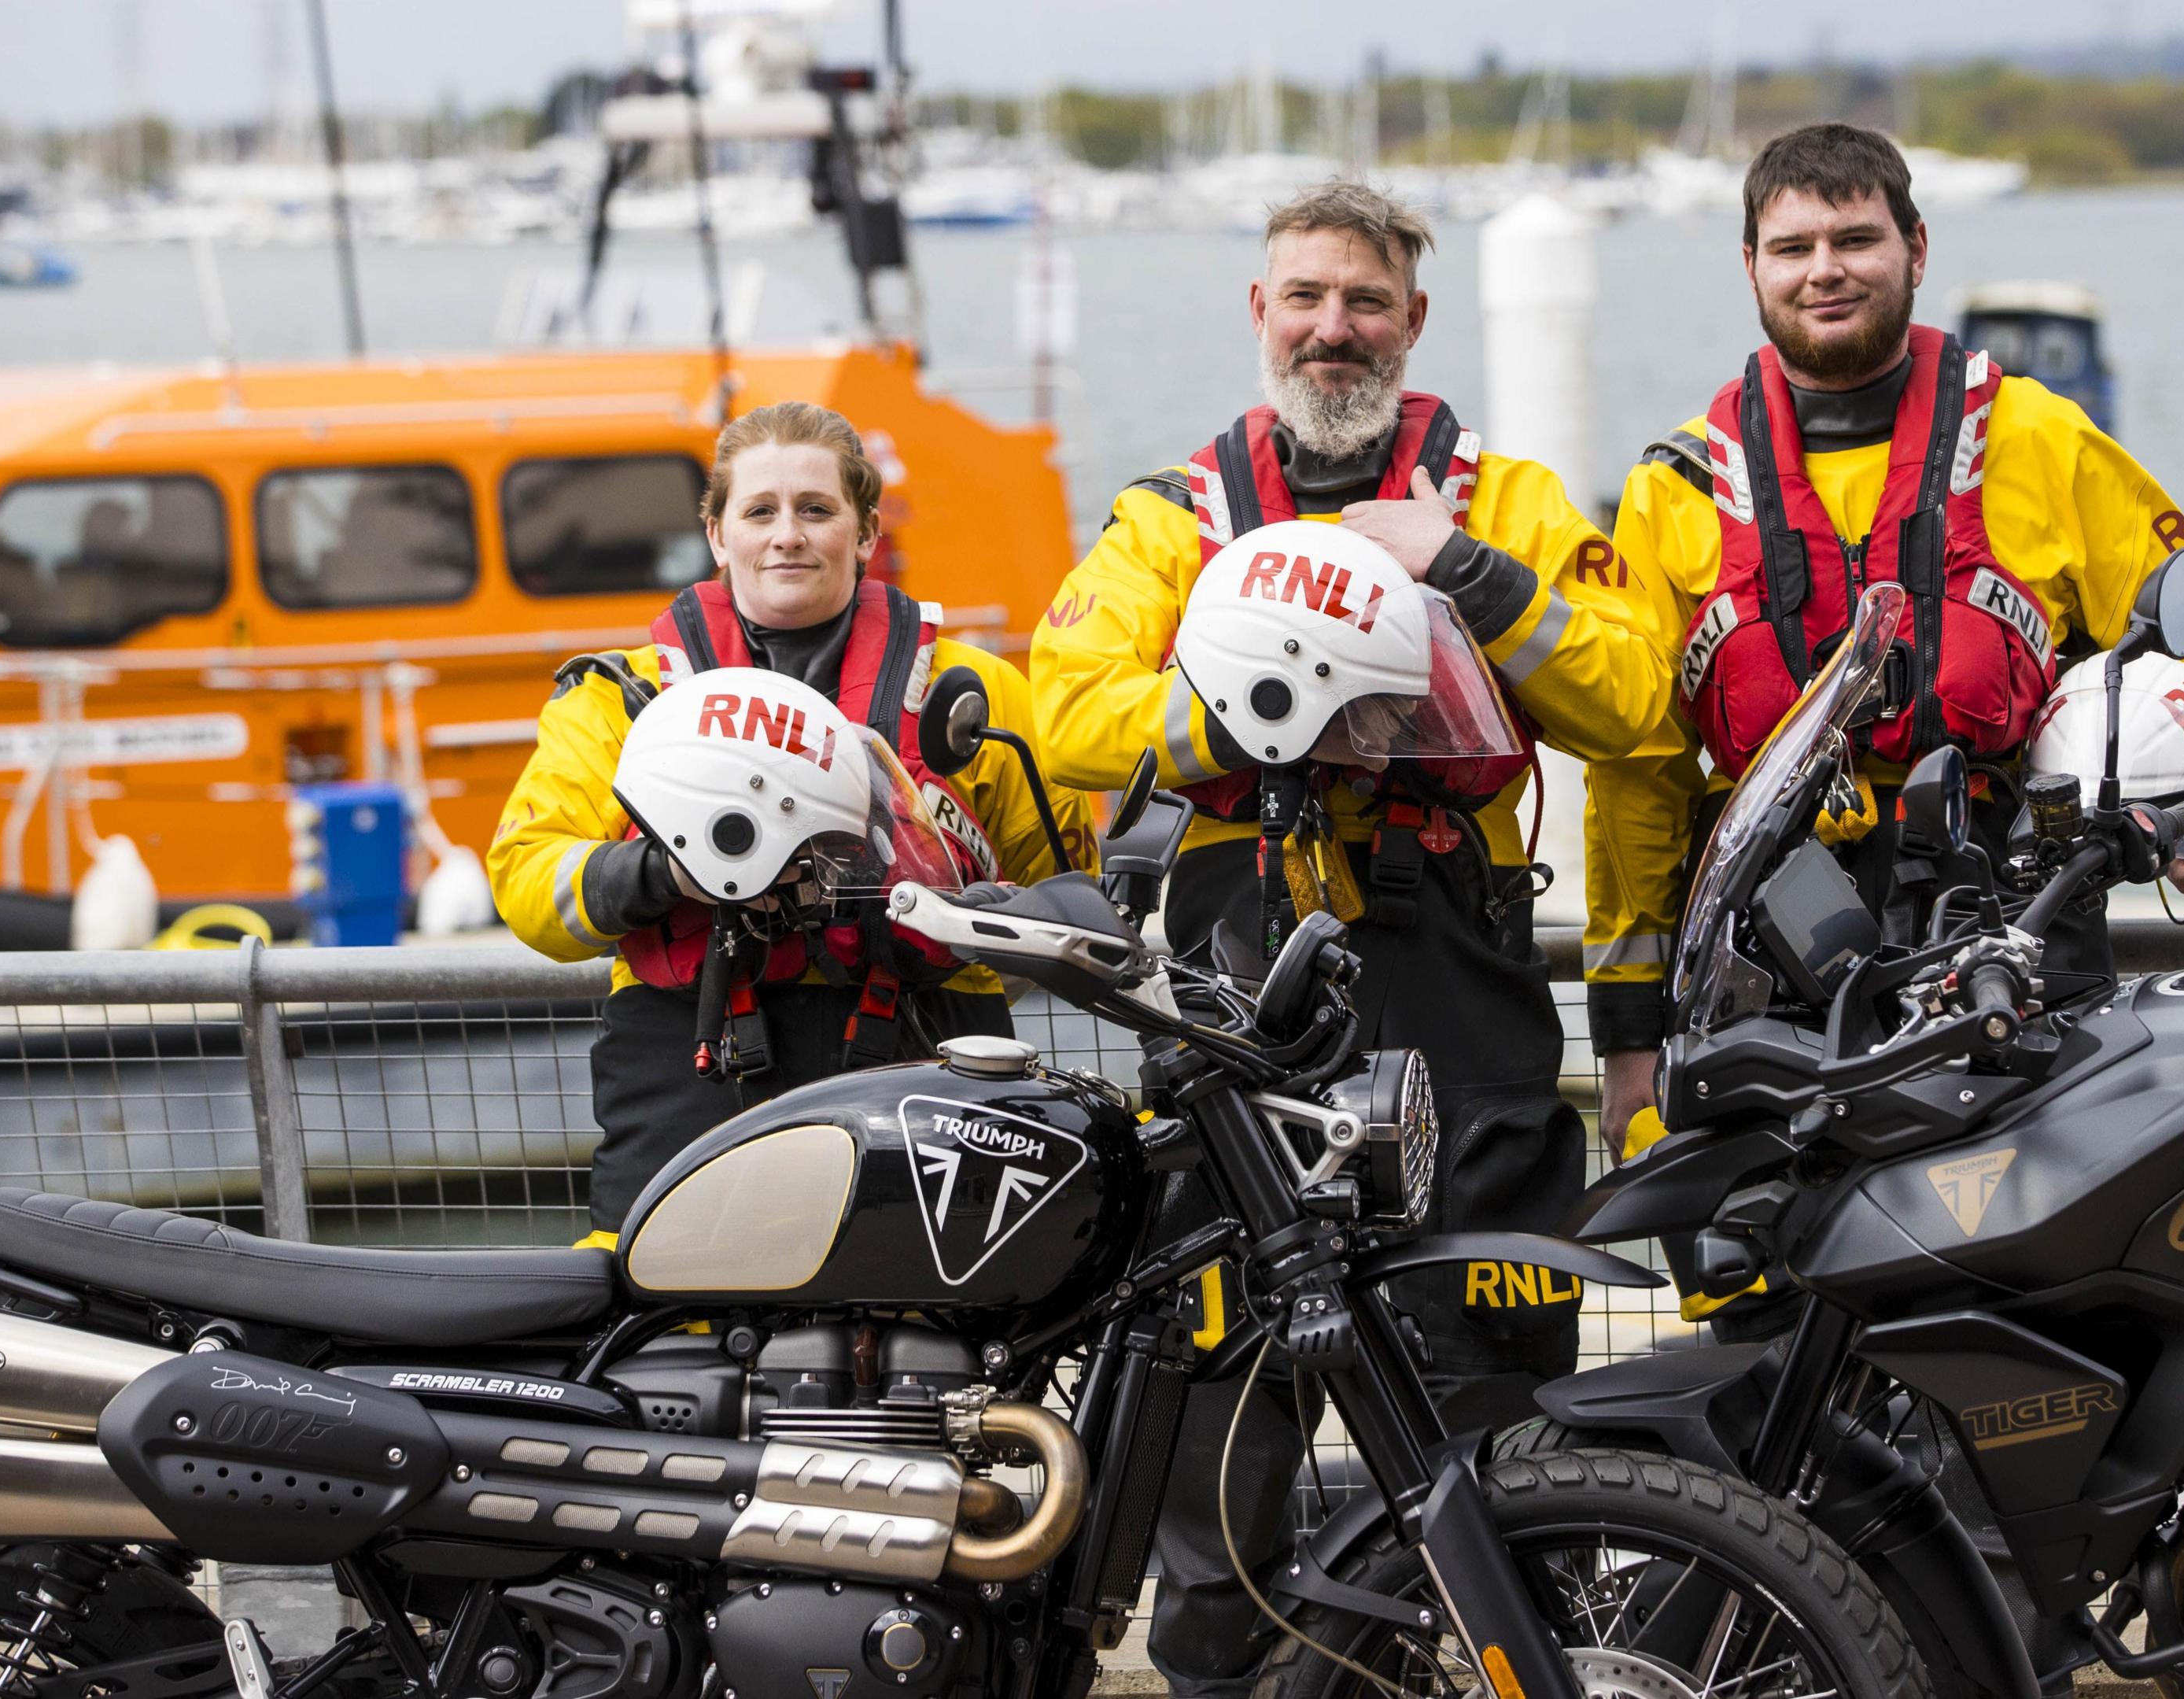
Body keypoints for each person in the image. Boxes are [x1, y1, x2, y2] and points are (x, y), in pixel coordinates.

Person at [1027, 180, 1670, 1699]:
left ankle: (1521, 1655)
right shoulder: (1168, 519)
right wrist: (1259, 708)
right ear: (1261, 313)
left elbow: (1640, 700)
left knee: (1499, 1396)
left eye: (1365, 300)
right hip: (1237, 1002)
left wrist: (1458, 571)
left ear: (1414, 321)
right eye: (1305, 297)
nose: (1334, 328)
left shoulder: (1503, 501)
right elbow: (1064, 708)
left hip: (1462, 991)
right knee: (1216, 1414)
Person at [1588, 122, 2184, 1166]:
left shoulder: (2042, 440)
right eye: (1792, 248)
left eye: (1856, 239)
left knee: (2038, 1285)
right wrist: (1627, 1038)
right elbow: (1637, 777)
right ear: (1750, 266)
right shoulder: (1673, 491)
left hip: (2016, 941)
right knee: (1787, 1308)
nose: (1825, 270)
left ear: (1916, 249)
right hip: (1768, 968)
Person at [491, 401, 1090, 1241]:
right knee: (665, 1320)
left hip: (924, 1055)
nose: (788, 536)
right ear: (717, 533)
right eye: (760, 511)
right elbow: (527, 881)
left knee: (947, 1324)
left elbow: (1064, 879)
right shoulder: (620, 702)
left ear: (867, 529)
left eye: (817, 509)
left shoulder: (977, 694)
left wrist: (956, 905)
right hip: (693, 1061)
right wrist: (665, 874)